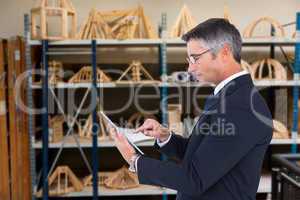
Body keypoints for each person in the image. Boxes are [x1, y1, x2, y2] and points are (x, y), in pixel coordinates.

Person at [111, 18, 273, 200]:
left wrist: (134, 160)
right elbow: (203, 155)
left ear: (224, 52)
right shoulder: (227, 96)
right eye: (189, 60)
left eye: (195, 59)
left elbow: (194, 178)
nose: (190, 69)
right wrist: (166, 137)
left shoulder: (240, 107)